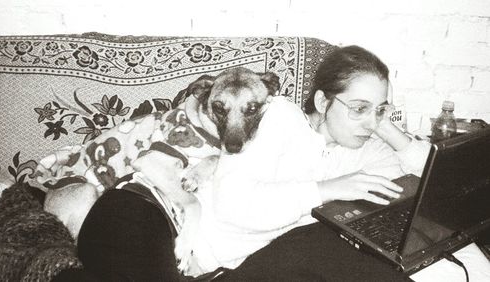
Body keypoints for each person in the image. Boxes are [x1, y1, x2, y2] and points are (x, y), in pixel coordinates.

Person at [53, 46, 430, 281]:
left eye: (380, 110)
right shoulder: (278, 117)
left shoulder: (367, 149)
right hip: (150, 212)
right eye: (359, 109)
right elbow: (235, 205)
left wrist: (386, 128)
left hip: (208, 265)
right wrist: (326, 190)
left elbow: (432, 174)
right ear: (321, 103)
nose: (369, 122)